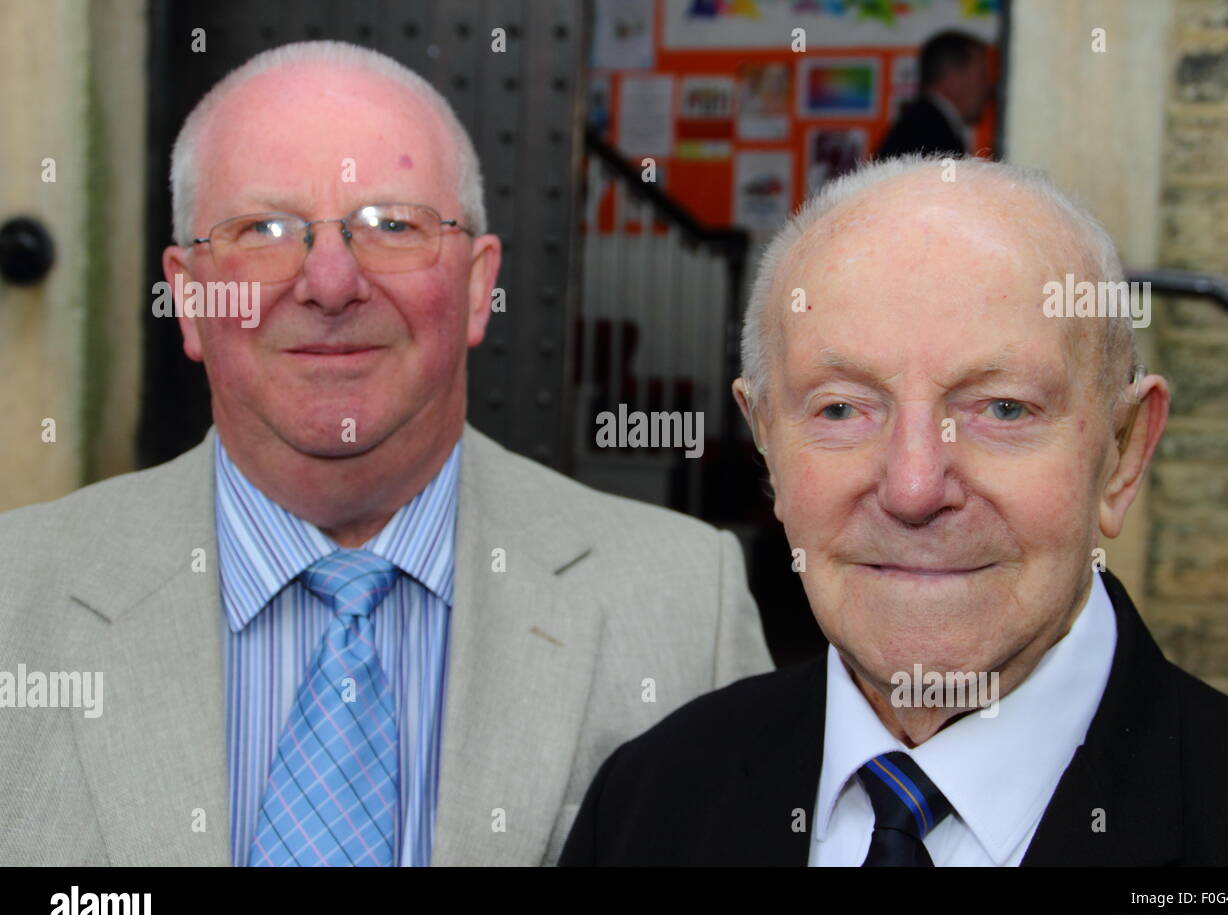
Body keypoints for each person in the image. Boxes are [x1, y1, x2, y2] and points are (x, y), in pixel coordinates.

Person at [0, 41, 771, 867]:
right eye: (262, 228)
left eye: (392, 225)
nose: (330, 283)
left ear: (479, 288)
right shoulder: (17, 597)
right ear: (189, 298)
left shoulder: (687, 608)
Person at [560, 155, 1228, 866]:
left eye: (1003, 408)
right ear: (767, 448)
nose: (914, 488)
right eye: (843, 409)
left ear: (1125, 451)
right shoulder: (647, 806)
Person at [876, 31, 991, 159]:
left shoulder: (919, 125)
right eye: (982, 76)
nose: (987, 87)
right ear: (953, 79)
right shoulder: (933, 135)